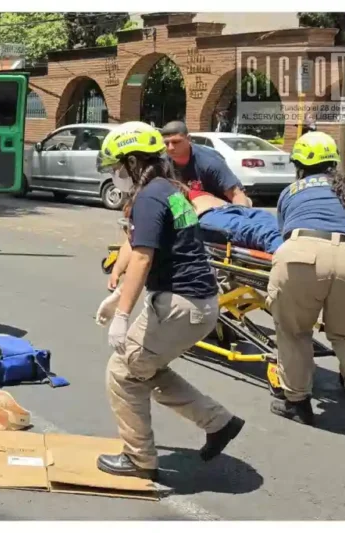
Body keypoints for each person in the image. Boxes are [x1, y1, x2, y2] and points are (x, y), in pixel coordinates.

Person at [93, 122, 244, 481]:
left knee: (122, 372)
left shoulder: (148, 197)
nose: (116, 176)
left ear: (132, 163)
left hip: (180, 304)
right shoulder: (169, 190)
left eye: (117, 167)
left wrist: (123, 314)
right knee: (146, 369)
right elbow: (161, 249)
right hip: (198, 303)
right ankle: (218, 422)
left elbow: (142, 258)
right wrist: (118, 296)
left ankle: (139, 458)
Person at [268, 131, 345, 433]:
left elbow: (284, 232)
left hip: (302, 254)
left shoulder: (292, 191)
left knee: (294, 332)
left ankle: (297, 403)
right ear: (334, 161)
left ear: (299, 165)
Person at [103, 185, 282, 292]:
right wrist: (117, 271)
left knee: (274, 226)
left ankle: (298, 249)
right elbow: (134, 242)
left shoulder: (166, 187)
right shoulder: (152, 202)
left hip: (233, 209)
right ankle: (289, 257)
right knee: (258, 232)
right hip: (207, 217)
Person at [160, 120, 253, 207]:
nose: (170, 147)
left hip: (218, 210)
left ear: (188, 139)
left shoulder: (209, 162)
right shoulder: (162, 163)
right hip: (186, 209)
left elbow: (237, 195)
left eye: (176, 142)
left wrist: (241, 217)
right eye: (167, 143)